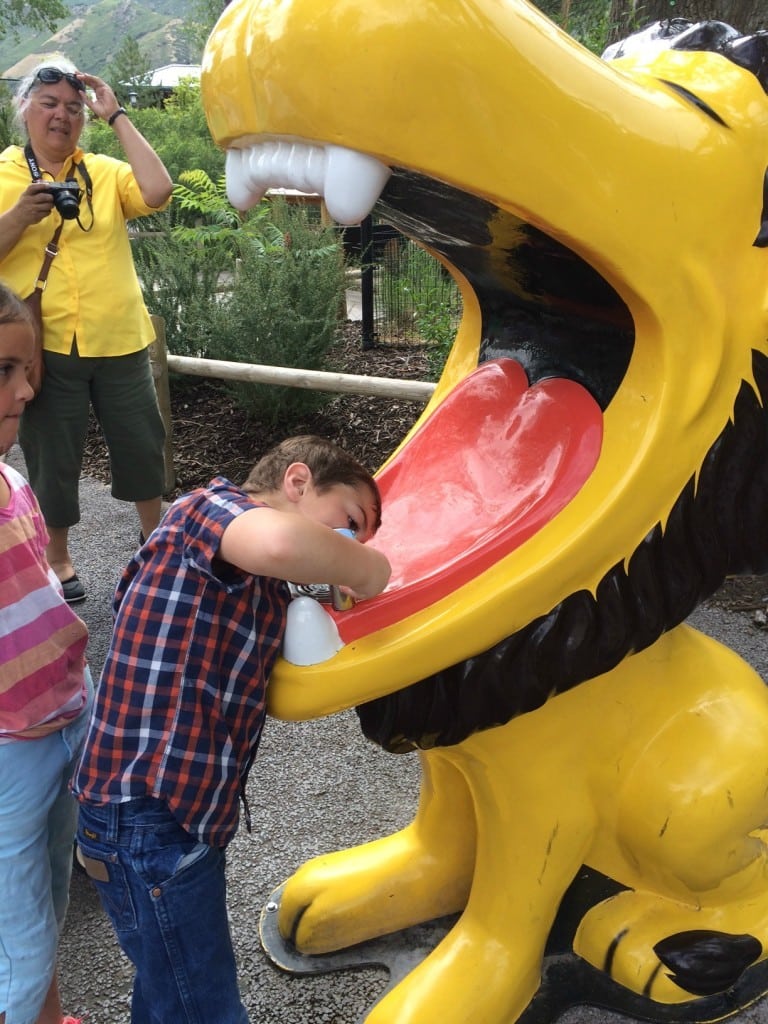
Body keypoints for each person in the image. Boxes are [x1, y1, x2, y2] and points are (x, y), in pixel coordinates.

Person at [72, 434, 391, 1023]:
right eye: (348, 523)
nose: (347, 544)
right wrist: (373, 566)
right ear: (297, 483)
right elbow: (278, 541)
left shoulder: (236, 570)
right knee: (204, 1007)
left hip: (158, 819)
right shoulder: (209, 510)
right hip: (149, 816)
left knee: (170, 989)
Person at [0, 56, 174, 605]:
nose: (62, 116)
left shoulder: (100, 170)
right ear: (24, 109)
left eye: (73, 108)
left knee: (142, 446)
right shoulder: (3, 174)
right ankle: (57, 555)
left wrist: (117, 114)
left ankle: (156, 540)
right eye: (49, 103)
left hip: (119, 336)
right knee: (53, 454)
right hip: (46, 344)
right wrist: (18, 218)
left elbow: (158, 190)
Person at [0, 281, 93, 1024]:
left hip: (61, 719)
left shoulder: (13, 481)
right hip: (6, 752)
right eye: (4, 369)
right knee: (15, 944)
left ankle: (49, 1015)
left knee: (48, 899)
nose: (28, 388)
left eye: (26, 368)